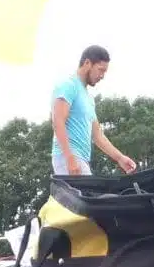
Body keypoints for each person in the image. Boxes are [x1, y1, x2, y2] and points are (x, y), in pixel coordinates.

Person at [50, 45, 137, 176]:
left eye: (105, 72)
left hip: (82, 159)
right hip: (67, 157)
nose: (102, 76)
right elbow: (58, 122)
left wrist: (120, 158)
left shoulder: (89, 99)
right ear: (87, 63)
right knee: (86, 196)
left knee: (91, 194)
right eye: (100, 70)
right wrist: (69, 158)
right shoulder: (69, 86)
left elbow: (97, 135)